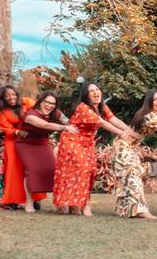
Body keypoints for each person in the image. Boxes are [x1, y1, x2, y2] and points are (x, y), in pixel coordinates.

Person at [54, 82, 128, 216]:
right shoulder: (83, 108)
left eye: (97, 89)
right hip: (72, 140)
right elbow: (102, 122)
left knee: (91, 171)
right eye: (91, 91)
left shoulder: (101, 106)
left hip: (87, 143)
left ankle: (74, 205)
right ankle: (82, 206)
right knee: (82, 170)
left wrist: (129, 130)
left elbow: (113, 119)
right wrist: (122, 133)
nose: (96, 93)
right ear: (86, 96)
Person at [113, 90, 157, 219]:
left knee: (132, 177)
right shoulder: (148, 116)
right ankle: (141, 211)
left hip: (129, 147)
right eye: (155, 99)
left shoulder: (153, 114)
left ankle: (126, 210)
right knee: (133, 175)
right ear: (149, 101)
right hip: (122, 147)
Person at [17, 92, 76, 213]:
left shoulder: (56, 113)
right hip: (26, 143)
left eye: (53, 104)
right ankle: (29, 203)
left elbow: (69, 122)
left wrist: (76, 126)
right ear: (40, 102)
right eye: (47, 102)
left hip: (42, 142)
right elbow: (45, 125)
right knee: (32, 170)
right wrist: (65, 128)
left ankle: (60, 204)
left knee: (54, 170)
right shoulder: (30, 114)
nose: (49, 106)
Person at [0, 85, 44, 209]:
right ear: (3, 98)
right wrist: (17, 132)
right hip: (13, 140)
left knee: (31, 168)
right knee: (14, 169)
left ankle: (34, 198)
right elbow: (5, 127)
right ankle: (14, 199)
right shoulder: (1, 110)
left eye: (13, 94)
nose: (11, 97)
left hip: (30, 139)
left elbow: (38, 113)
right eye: (7, 96)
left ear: (17, 94)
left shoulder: (27, 102)